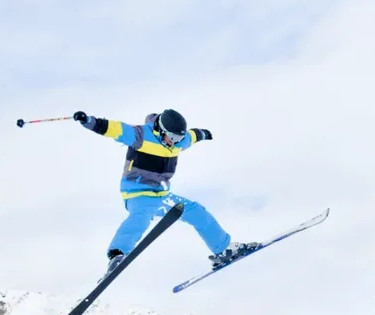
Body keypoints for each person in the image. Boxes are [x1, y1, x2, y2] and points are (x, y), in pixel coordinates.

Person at [72, 109, 260, 278]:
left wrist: (202, 133)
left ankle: (223, 249)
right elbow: (114, 128)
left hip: (161, 194)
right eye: (171, 137)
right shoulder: (140, 135)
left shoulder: (180, 141)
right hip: (137, 192)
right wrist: (89, 121)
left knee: (196, 211)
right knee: (141, 217)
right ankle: (117, 254)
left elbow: (192, 136)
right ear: (160, 130)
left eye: (178, 138)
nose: (174, 142)